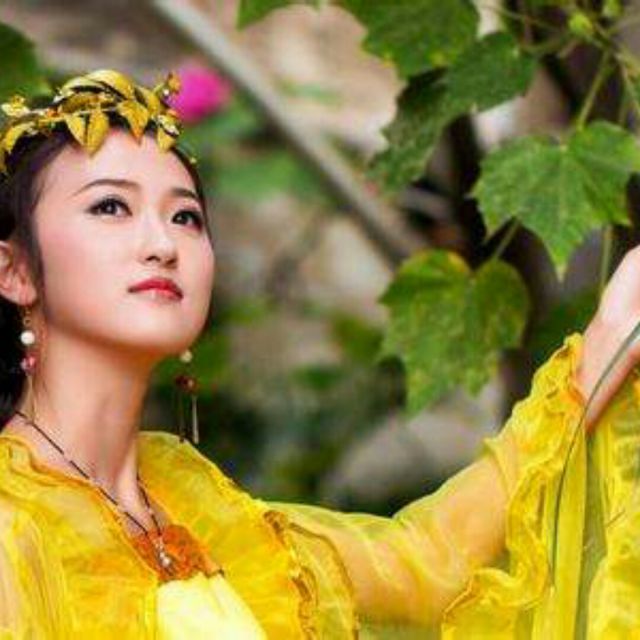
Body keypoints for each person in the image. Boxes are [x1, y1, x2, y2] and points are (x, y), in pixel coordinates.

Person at [0, 69, 636, 639]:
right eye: (111, 206)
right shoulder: (12, 522)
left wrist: (609, 337)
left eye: (186, 217)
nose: (162, 244)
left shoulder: (193, 500)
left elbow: (427, 563)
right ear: (14, 271)